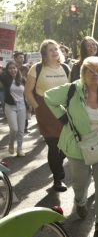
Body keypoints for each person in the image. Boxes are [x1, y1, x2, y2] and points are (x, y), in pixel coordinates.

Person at [44, 56, 98, 237]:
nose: (95, 74)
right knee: (81, 181)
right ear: (83, 73)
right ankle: (80, 201)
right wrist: (63, 118)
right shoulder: (73, 89)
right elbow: (49, 97)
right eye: (90, 70)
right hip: (77, 144)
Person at [24, 40, 70, 191]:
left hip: (63, 109)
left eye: (56, 49)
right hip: (45, 110)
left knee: (65, 144)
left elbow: (70, 90)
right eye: (51, 50)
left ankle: (58, 168)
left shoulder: (65, 67)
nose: (55, 51)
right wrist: (38, 107)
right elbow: (28, 91)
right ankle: (57, 179)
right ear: (44, 54)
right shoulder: (37, 68)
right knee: (53, 144)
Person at [0, 61, 28, 156]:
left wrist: (29, 105)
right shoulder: (5, 78)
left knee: (21, 130)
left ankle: (19, 149)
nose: (12, 70)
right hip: (10, 106)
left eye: (14, 68)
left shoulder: (22, 79)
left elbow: (27, 93)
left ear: (17, 68)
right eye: (10, 68)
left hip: (21, 106)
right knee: (14, 128)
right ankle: (11, 142)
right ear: (7, 70)